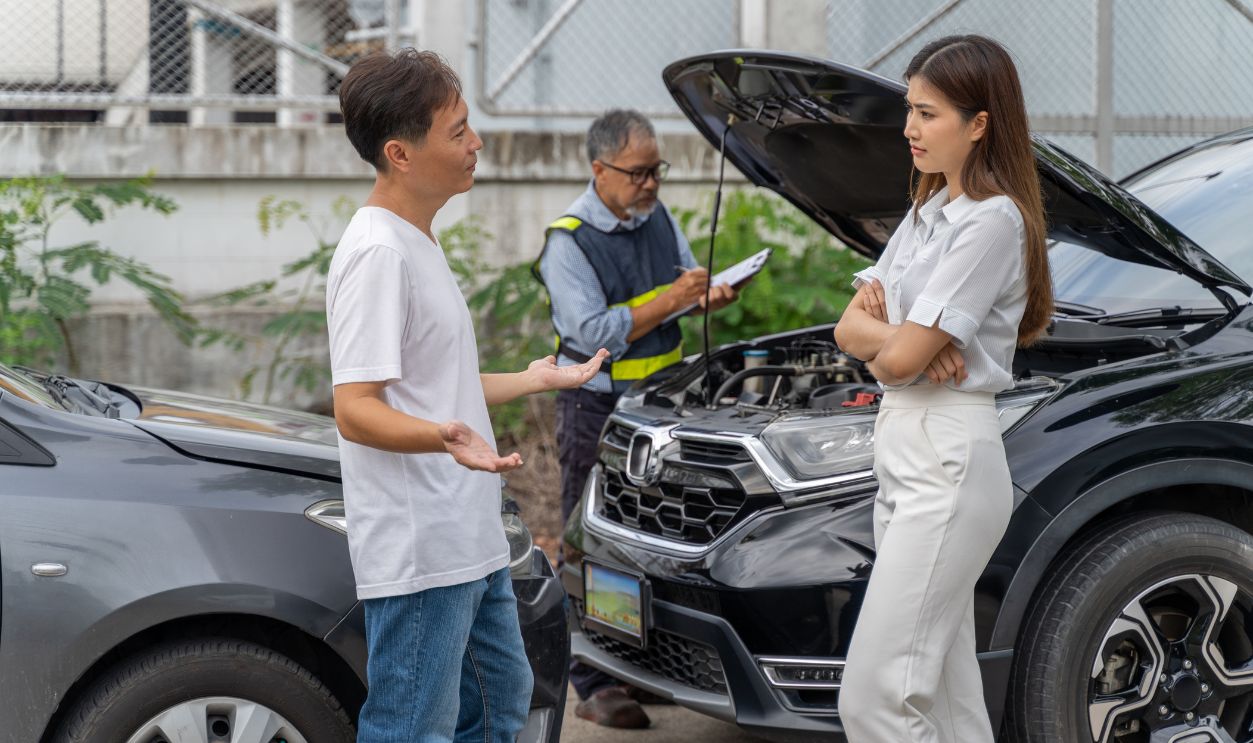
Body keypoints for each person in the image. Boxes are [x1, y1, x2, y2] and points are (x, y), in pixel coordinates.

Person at [326, 48, 609, 743]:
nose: (475, 142)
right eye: (457, 131)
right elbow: (355, 407)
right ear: (400, 152)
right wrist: (443, 438)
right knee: (410, 725)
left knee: (501, 700)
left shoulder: (416, 240)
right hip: (421, 541)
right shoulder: (377, 253)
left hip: (466, 534)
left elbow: (432, 386)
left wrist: (535, 377)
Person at [832, 35, 1053, 742]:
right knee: (951, 707)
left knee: (874, 701)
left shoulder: (990, 222)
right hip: (903, 455)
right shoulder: (926, 213)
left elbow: (894, 359)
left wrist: (898, 344)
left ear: (978, 122)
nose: (908, 128)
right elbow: (848, 332)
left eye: (926, 114)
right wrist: (904, 341)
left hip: (947, 461)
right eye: (909, 110)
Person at [534, 109, 738, 728]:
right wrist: (671, 300)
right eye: (638, 173)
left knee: (657, 540)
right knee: (591, 539)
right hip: (594, 409)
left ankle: (640, 665)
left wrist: (705, 293)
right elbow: (593, 332)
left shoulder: (657, 217)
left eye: (657, 171)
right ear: (599, 170)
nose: (651, 184)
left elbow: (679, 285)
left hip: (663, 407)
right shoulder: (567, 241)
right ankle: (593, 680)